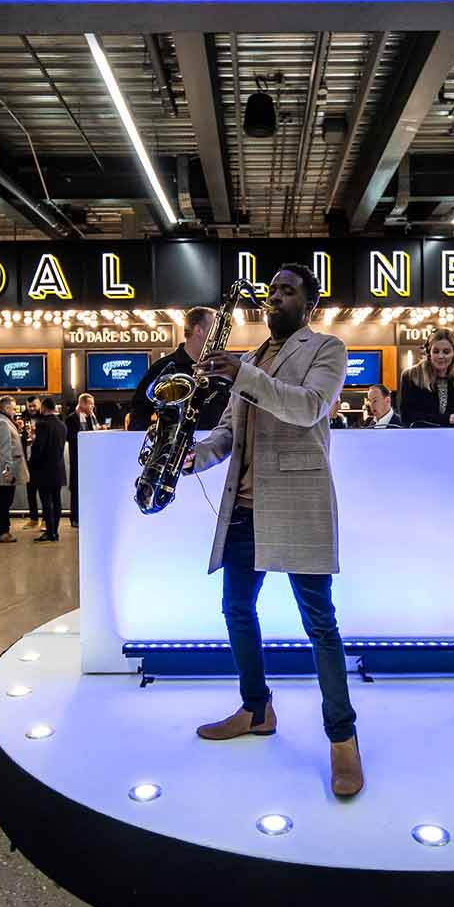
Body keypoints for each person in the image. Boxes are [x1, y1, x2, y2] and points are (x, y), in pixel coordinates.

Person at [183, 262, 364, 797]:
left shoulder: (327, 349)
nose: (275, 298)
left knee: (320, 624)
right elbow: (228, 432)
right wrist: (194, 457)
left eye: (287, 291)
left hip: (298, 503)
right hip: (244, 508)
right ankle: (256, 708)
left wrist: (243, 375)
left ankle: (343, 739)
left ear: (309, 304)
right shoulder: (252, 360)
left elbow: (308, 408)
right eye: (272, 291)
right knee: (236, 609)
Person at [131, 306, 231, 432]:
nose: (219, 336)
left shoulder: (224, 370)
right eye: (216, 330)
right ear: (198, 330)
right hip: (173, 444)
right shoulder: (163, 368)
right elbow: (139, 412)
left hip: (217, 444)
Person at [397, 328, 454, 428]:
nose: (440, 356)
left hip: (452, 437)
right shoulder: (411, 376)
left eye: (446, 352)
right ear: (429, 353)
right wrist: (447, 419)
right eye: (436, 351)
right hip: (421, 436)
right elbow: (407, 417)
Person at [29, 397, 68, 543]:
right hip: (58, 468)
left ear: (43, 408)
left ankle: (50, 532)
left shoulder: (43, 425)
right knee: (56, 501)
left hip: (44, 469)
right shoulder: (62, 425)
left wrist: (32, 461)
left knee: (46, 502)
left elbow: (39, 448)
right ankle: (55, 532)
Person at [0, 397, 27, 543]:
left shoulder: (1, 420)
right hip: (7, 468)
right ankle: (1, 531)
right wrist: (9, 470)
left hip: (6, 466)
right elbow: (5, 449)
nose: (15, 411)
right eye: (13, 408)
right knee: (5, 500)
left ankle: (3, 529)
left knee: (5, 499)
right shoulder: (3, 423)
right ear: (6, 408)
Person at [66, 393, 98, 527]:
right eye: (90, 404)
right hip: (77, 460)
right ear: (83, 404)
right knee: (76, 489)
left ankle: (87, 516)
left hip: (90, 460)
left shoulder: (92, 418)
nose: (92, 407)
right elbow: (72, 438)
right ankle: (75, 518)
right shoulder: (71, 419)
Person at [22, 397, 43, 530]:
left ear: (39, 405)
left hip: (41, 461)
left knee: (44, 492)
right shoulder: (23, 419)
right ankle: (33, 519)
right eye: (29, 406)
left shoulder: (44, 419)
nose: (32, 408)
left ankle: (46, 520)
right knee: (30, 491)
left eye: (34, 406)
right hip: (28, 460)